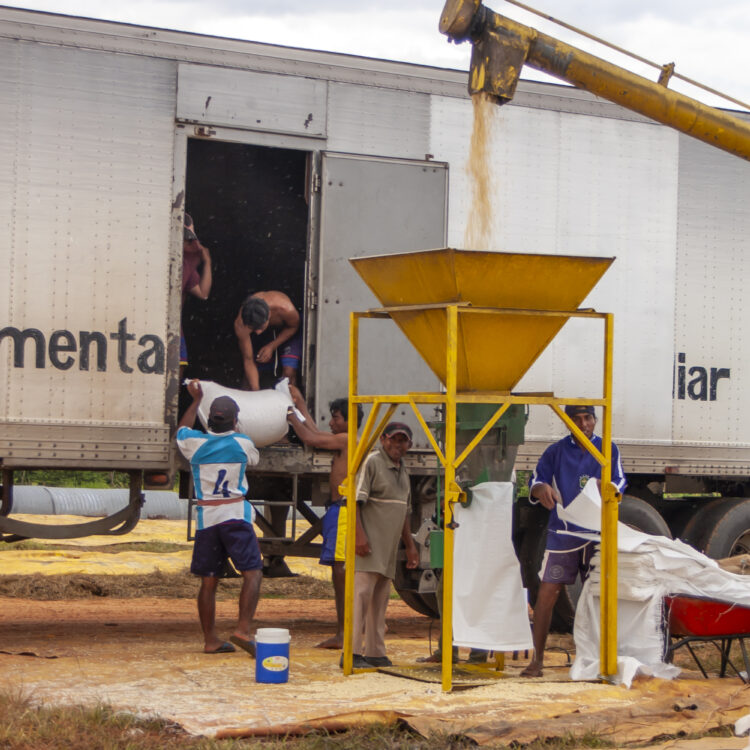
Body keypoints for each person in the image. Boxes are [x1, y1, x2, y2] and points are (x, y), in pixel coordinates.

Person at [520, 404, 626, 677]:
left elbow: (620, 480)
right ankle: (538, 660)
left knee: (599, 595)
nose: (583, 424)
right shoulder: (556, 451)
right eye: (576, 419)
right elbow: (536, 479)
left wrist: (611, 489)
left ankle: (598, 659)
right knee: (547, 592)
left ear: (595, 420)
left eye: (587, 418)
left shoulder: (607, 449)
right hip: (563, 533)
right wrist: (540, 488)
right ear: (568, 423)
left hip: (596, 533)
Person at [176, 380, 262, 656]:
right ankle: (242, 629)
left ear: (209, 420)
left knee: (209, 581)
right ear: (235, 421)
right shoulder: (242, 443)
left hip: (208, 519)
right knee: (252, 573)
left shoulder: (195, 444)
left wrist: (195, 401)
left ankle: (210, 639)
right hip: (236, 516)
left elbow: (181, 429)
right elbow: (255, 460)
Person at [285, 386, 363, 649]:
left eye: (336, 418)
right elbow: (316, 433)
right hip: (336, 510)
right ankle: (348, 628)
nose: (331, 422)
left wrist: (290, 416)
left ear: (349, 421)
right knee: (338, 571)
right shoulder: (345, 438)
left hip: (342, 510)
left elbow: (311, 438)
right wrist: (301, 406)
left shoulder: (347, 439)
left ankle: (344, 632)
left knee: (340, 571)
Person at [348, 422, 419, 669]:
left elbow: (404, 512)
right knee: (361, 595)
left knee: (380, 598)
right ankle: (352, 652)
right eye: (394, 439)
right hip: (369, 543)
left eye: (403, 441)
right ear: (383, 439)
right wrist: (359, 536)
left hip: (388, 548)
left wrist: (410, 545)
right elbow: (355, 501)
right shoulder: (372, 462)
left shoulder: (403, 471)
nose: (398, 445)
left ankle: (375, 651)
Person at [234, 291, 301, 390]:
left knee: (289, 373)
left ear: (269, 315)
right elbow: (248, 359)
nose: (257, 332)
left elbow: (294, 326)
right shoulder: (241, 324)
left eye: (260, 328)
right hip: (267, 332)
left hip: (288, 329)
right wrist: (256, 392)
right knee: (249, 378)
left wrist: (272, 346)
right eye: (253, 329)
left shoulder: (286, 309)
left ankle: (288, 403)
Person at [180, 213, 212, 376]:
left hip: (174, 327)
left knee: (179, 367)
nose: (186, 242)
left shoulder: (186, 265)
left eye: (188, 239)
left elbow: (203, 293)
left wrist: (207, 262)